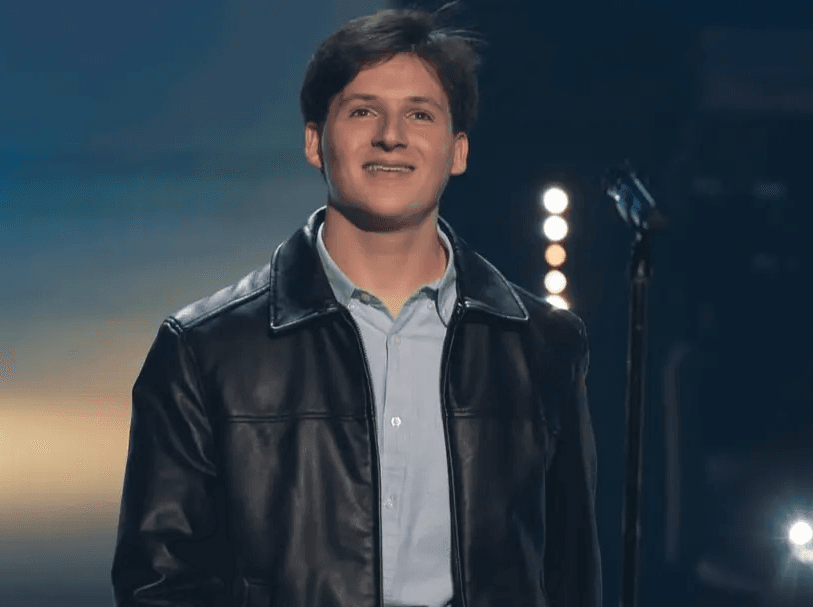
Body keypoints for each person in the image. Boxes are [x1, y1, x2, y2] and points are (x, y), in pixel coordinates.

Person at [111, 6, 601, 607]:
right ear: (315, 141)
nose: (391, 135)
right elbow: (159, 583)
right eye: (363, 110)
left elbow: (570, 575)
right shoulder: (202, 351)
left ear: (458, 151)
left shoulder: (542, 347)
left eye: (420, 114)